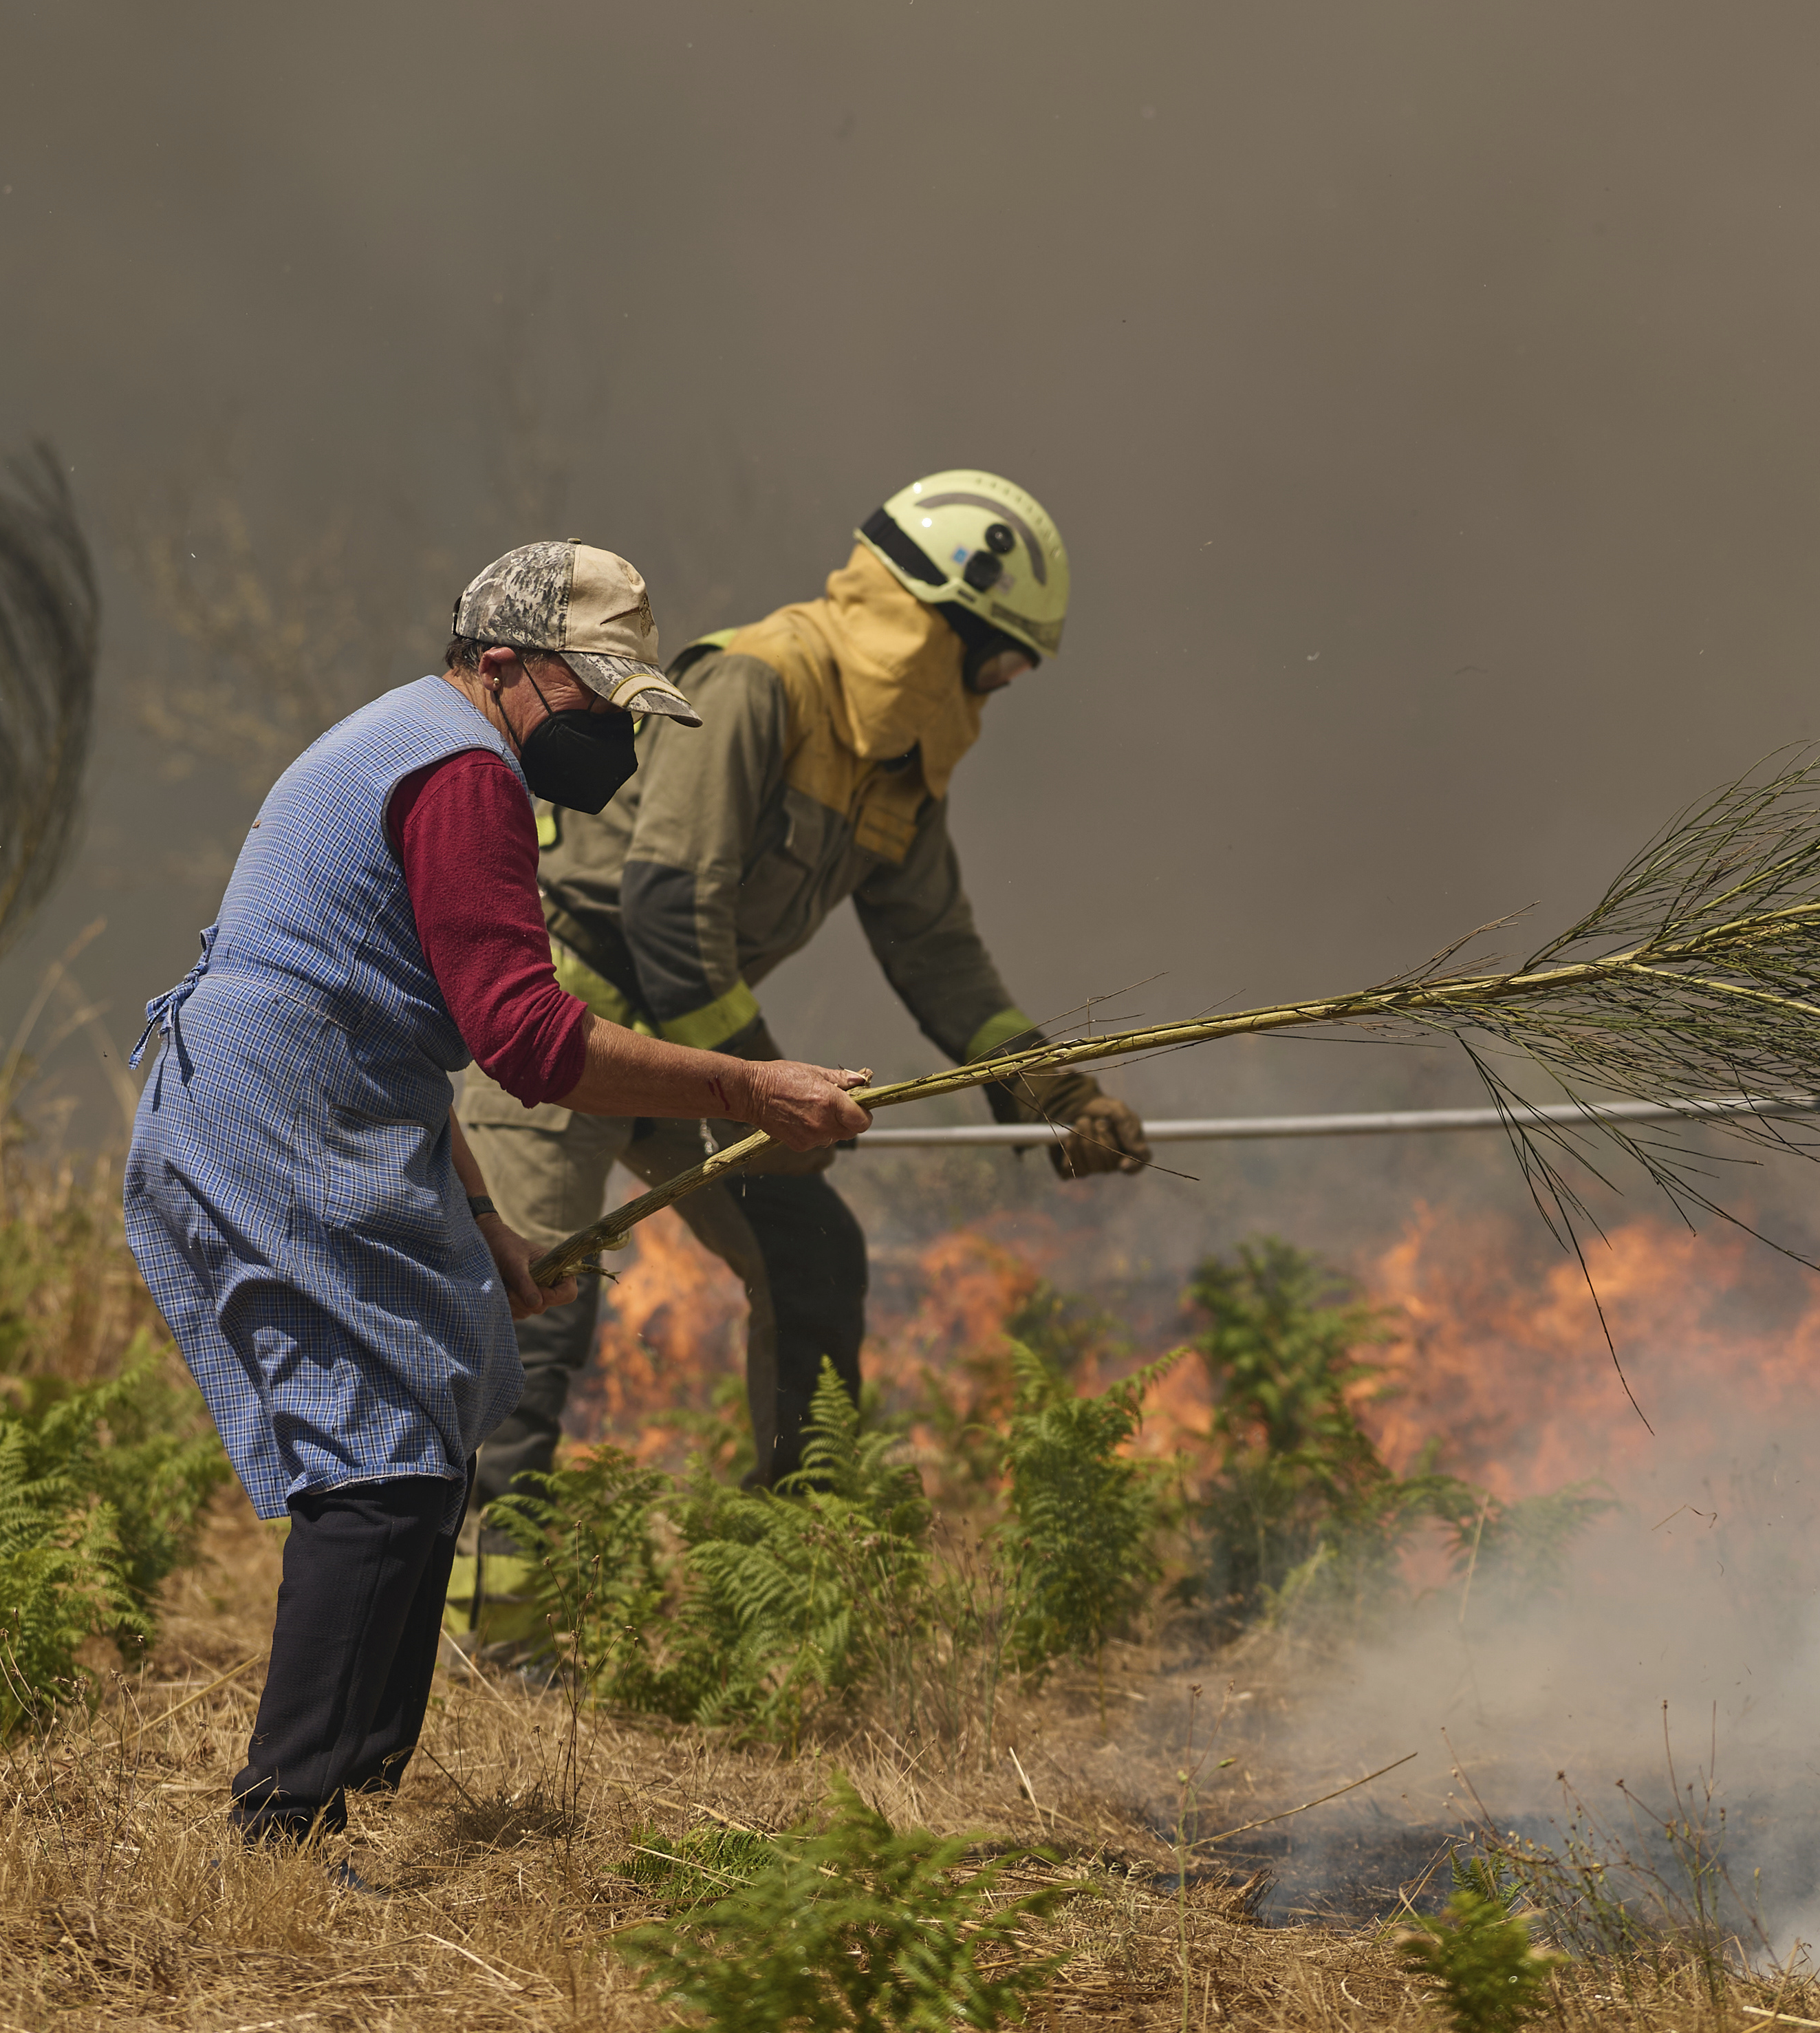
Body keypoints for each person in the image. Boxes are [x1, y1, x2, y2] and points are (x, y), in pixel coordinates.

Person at [121, 539, 873, 1849]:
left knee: (414, 1430)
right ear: (505, 664)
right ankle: (282, 1823)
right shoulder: (462, 773)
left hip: (311, 1091)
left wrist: (481, 1221)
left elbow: (415, 1032)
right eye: (591, 698)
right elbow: (526, 1039)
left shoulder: (423, 743)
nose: (608, 735)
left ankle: (337, 1793)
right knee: (378, 1457)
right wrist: (750, 1089)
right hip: (281, 1104)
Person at [458, 472, 1150, 1511]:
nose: (999, 690)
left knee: (813, 1256)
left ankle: (791, 1561)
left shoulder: (898, 765)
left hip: (692, 1049)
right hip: (569, 1031)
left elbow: (939, 955)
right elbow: (663, 912)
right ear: (935, 625)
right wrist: (759, 1091)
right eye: (997, 660)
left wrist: (1058, 1095)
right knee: (536, 1305)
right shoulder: (761, 681)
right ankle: (486, 1630)